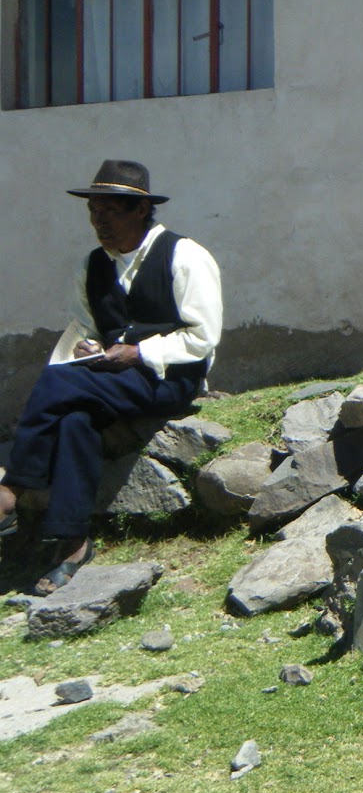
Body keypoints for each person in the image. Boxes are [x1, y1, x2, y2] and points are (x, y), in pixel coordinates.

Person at [0, 160, 222, 595]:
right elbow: (82, 327)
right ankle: (73, 542)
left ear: (140, 210)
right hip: (106, 379)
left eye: (111, 212)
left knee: (60, 382)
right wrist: (85, 349)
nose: (100, 223)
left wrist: (139, 352)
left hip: (168, 378)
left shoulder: (185, 256)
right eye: (94, 213)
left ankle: (11, 487)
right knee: (73, 421)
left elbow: (203, 338)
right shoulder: (92, 266)